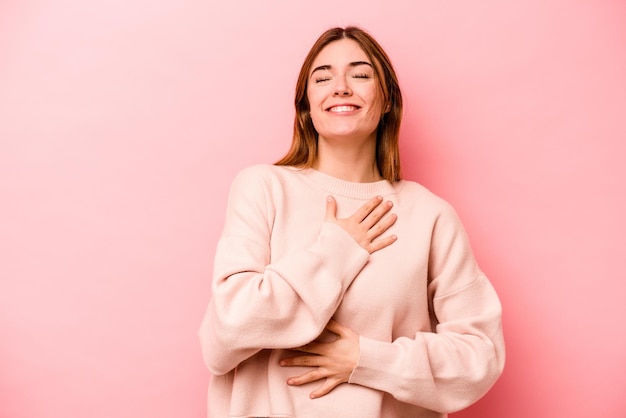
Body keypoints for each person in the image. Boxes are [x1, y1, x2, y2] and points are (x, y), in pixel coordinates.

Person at [198, 26, 505, 418]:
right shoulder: (263, 187)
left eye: (360, 75)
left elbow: (480, 355)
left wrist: (367, 359)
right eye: (322, 77)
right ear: (306, 106)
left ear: (388, 100)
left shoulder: (430, 215)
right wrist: (339, 248)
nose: (340, 87)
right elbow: (226, 332)